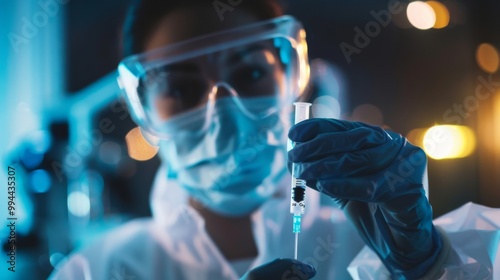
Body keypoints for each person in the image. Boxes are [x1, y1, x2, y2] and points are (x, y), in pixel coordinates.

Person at [50, 0, 500, 279]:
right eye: (183, 89)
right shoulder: (95, 272)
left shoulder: (376, 249)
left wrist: (433, 268)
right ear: (145, 113)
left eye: (249, 73)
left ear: (294, 83)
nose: (223, 109)